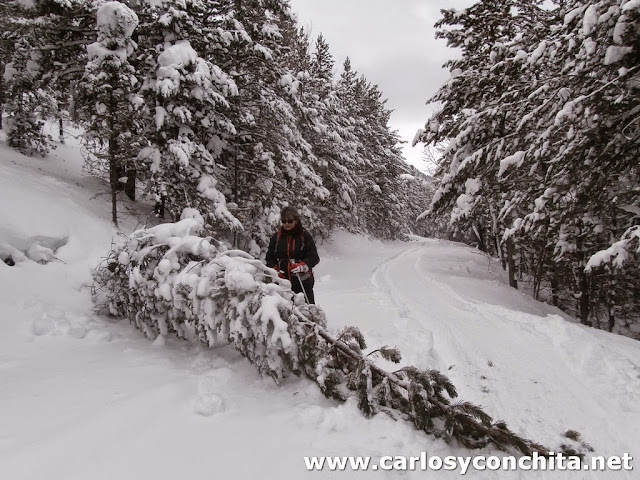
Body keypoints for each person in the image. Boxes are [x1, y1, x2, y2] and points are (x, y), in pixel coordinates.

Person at [266, 206, 319, 304]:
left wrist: (303, 266)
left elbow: (314, 257)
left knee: (306, 309)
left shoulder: (304, 236)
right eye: (283, 221)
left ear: (296, 220)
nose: (286, 224)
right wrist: (275, 270)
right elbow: (270, 257)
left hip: (302, 280)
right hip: (282, 281)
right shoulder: (276, 237)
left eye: (290, 221)